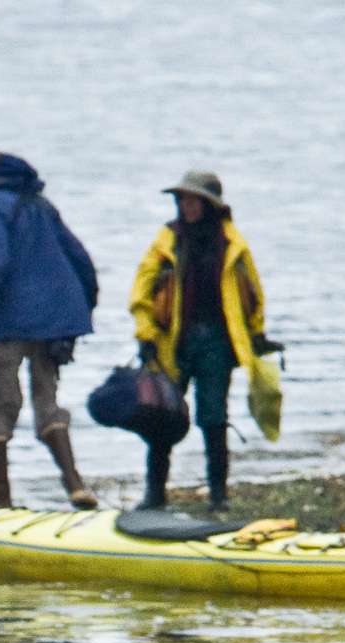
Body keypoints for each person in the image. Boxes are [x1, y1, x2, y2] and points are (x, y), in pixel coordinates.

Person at [0, 148, 99, 510]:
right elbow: (81, 261)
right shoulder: (40, 206)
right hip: (56, 321)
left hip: (8, 320)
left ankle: (1, 503)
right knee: (48, 402)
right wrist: (78, 312)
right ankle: (75, 487)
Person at [127, 170, 271, 512]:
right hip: (173, 343)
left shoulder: (232, 243)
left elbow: (253, 293)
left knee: (213, 417)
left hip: (218, 344)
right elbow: (141, 291)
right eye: (183, 200)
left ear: (210, 205)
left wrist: (257, 333)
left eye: (194, 200)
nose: (187, 206)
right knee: (163, 416)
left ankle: (218, 496)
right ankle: (154, 494)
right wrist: (146, 335)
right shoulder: (167, 239)